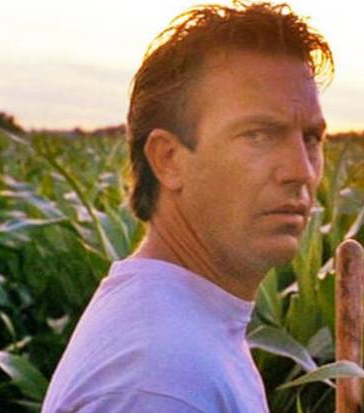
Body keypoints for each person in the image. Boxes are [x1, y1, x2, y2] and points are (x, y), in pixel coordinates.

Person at [41, 2, 333, 412]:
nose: (301, 171)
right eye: (258, 135)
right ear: (168, 160)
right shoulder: (158, 381)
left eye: (311, 139)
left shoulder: (189, 331)